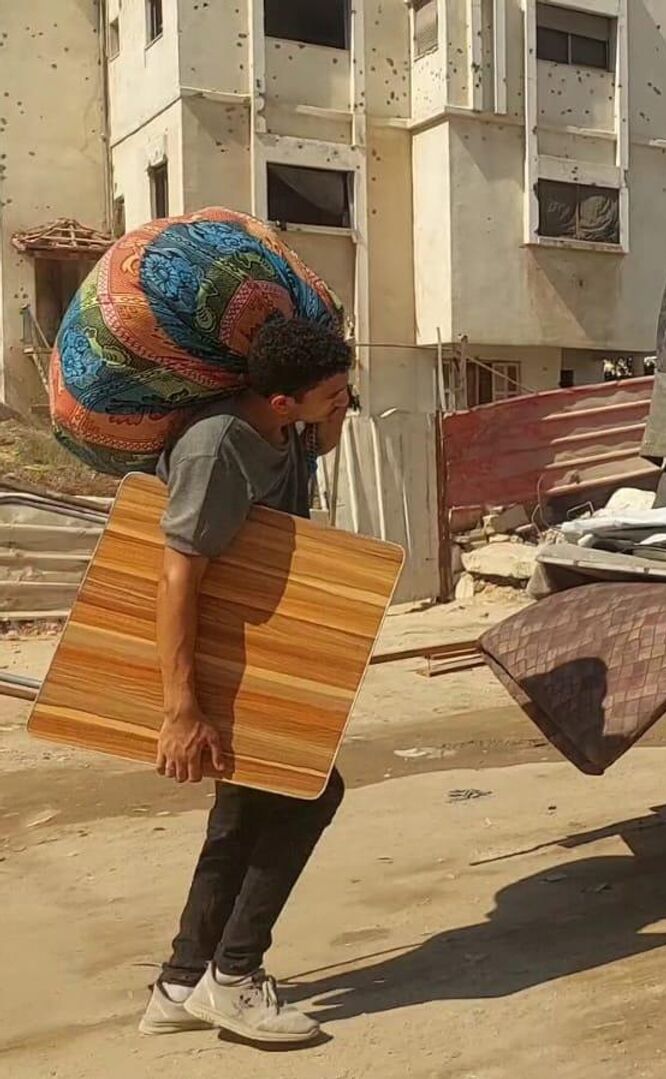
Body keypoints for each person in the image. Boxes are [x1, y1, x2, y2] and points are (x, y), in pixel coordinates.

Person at [140, 319, 353, 1046]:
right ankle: (233, 977)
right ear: (283, 400)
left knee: (241, 812)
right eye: (332, 392)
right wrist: (180, 709)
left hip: (256, 651)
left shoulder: (282, 429)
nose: (343, 399)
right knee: (311, 789)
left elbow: (312, 451)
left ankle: (179, 984)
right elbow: (176, 577)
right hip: (214, 652)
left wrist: (332, 416)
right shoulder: (217, 449)